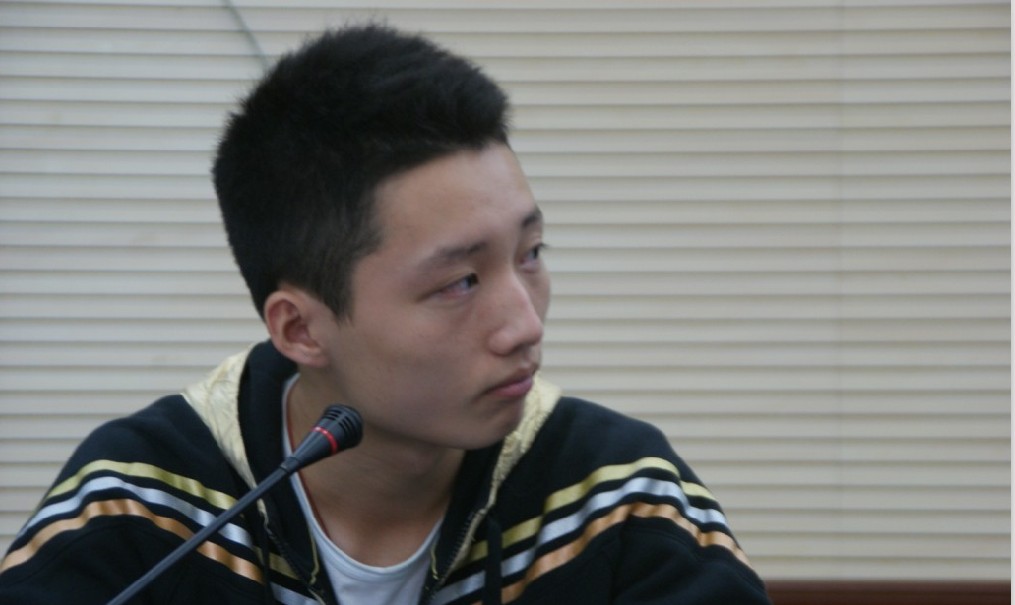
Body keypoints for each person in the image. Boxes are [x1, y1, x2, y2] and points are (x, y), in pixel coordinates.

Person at [0, 25, 771, 605]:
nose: (524, 325)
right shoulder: (141, 506)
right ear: (301, 328)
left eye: (530, 253)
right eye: (459, 282)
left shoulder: (617, 497)